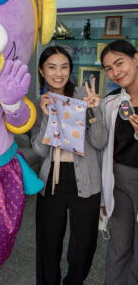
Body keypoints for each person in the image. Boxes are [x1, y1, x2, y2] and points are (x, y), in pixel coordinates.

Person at [30, 45, 108, 285]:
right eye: (52, 67)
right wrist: (46, 117)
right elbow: (40, 151)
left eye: (64, 67)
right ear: (42, 71)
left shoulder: (84, 97)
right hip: (52, 179)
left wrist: (93, 111)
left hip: (85, 177)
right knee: (48, 242)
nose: (58, 73)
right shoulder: (38, 103)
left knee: (83, 244)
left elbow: (100, 141)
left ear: (70, 70)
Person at [100, 40, 138, 285]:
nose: (115, 72)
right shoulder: (111, 102)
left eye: (119, 63)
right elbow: (101, 143)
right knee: (119, 244)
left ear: (136, 59)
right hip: (118, 180)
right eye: (109, 68)